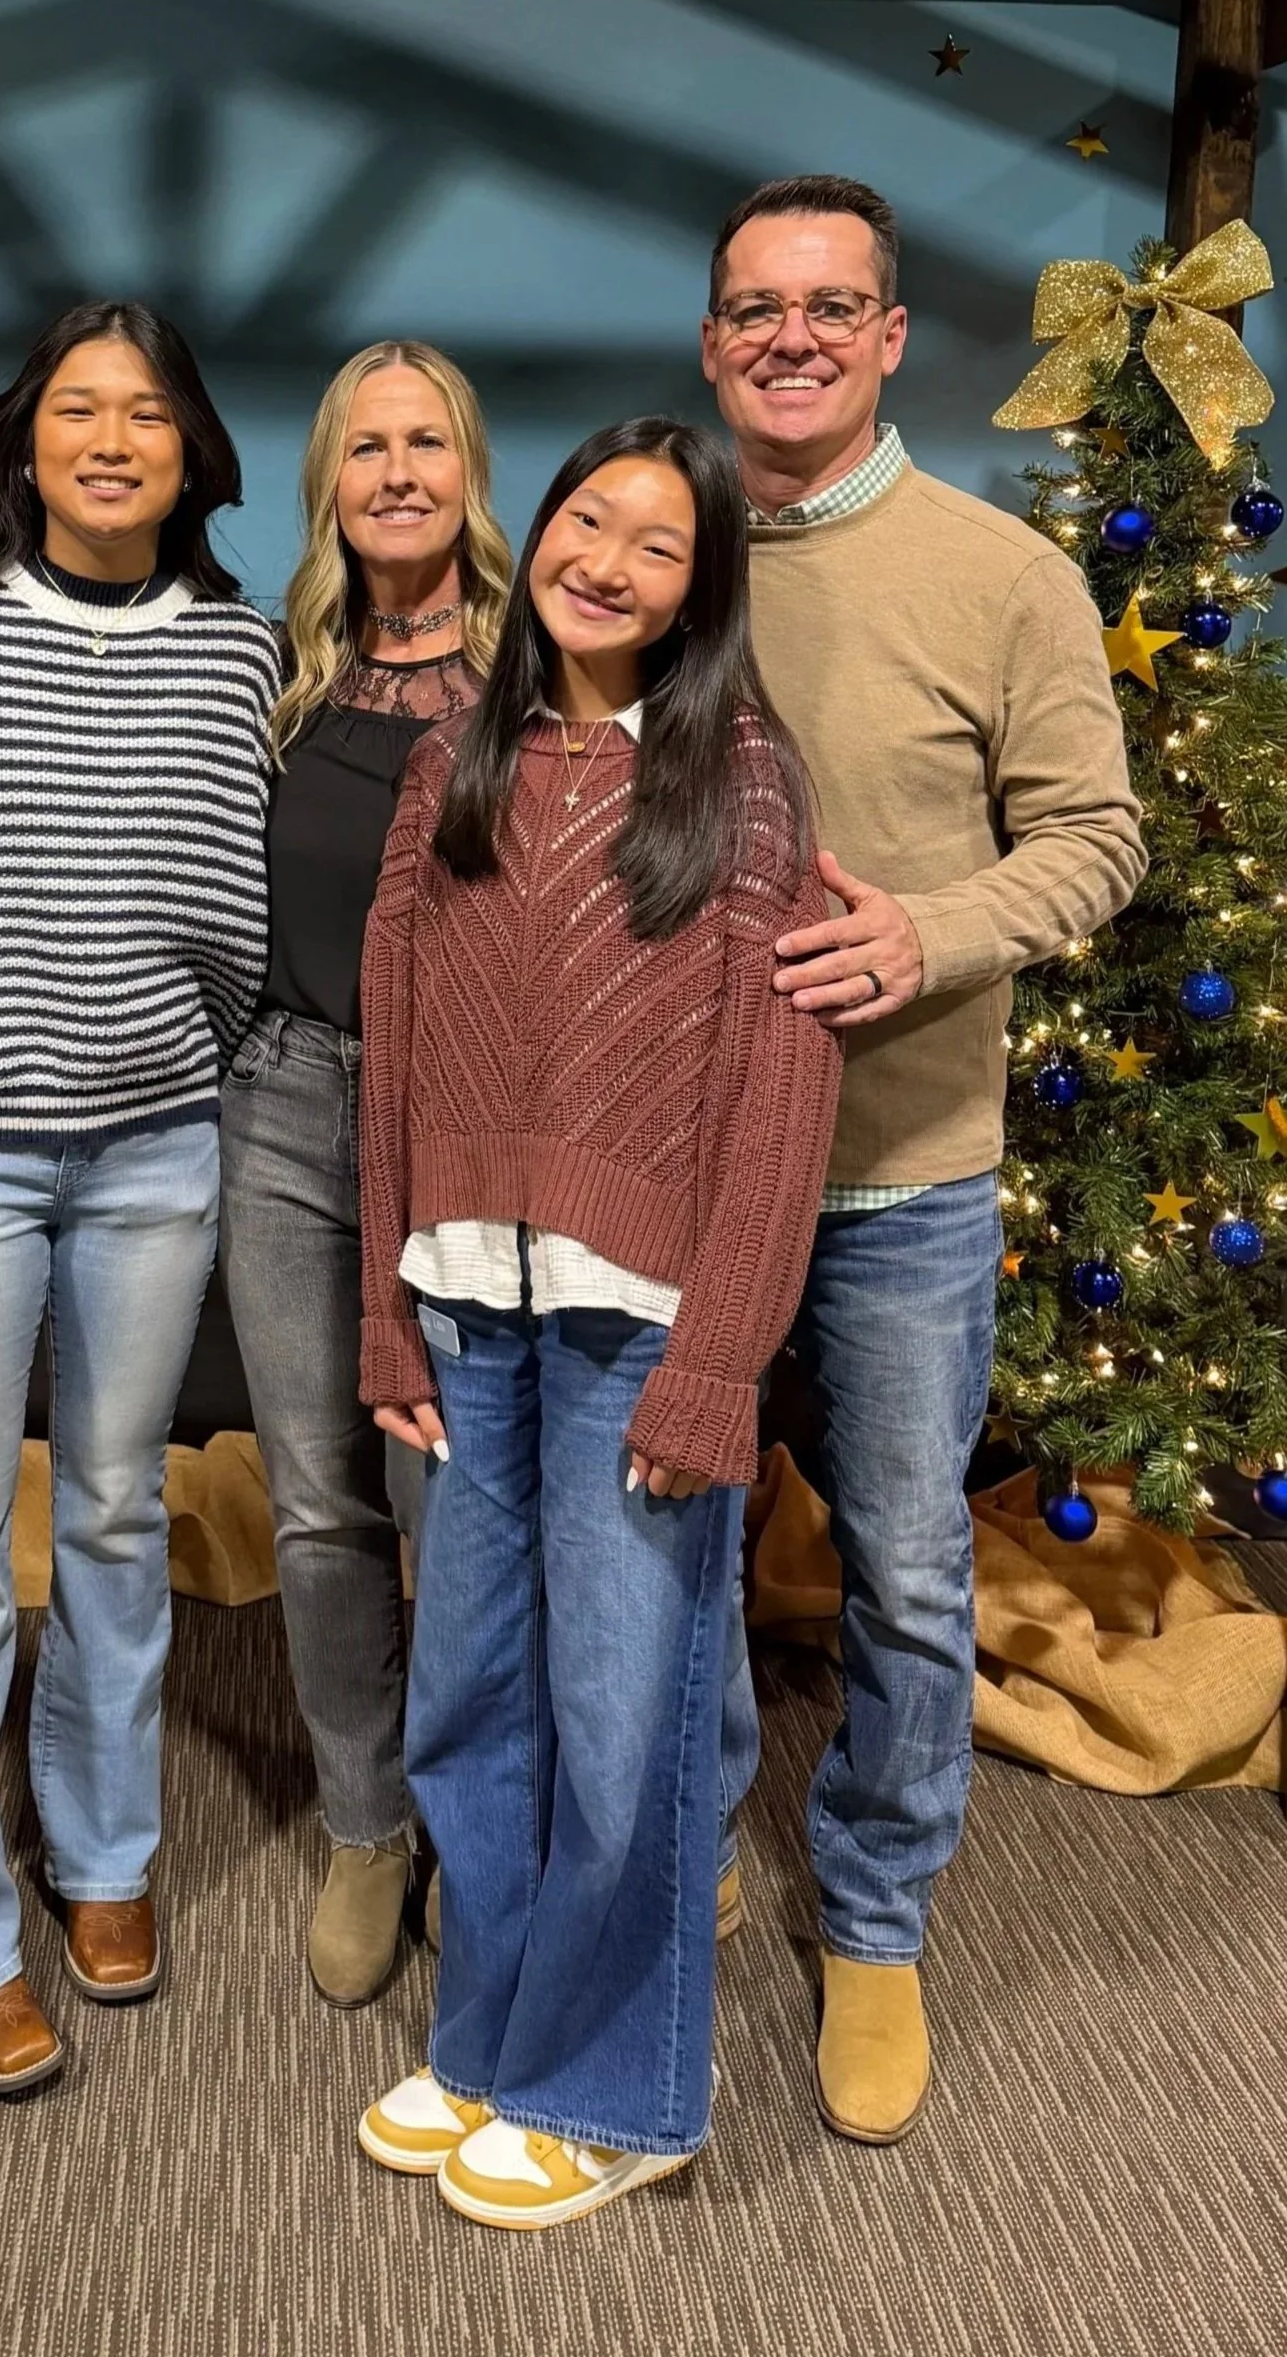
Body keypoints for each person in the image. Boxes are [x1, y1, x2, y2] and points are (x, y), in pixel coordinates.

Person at [355, 418, 841, 2229]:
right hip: (469, 1300)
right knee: (469, 1698)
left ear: (704, 585)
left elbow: (781, 1088)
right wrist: (383, 1318)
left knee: (622, 1712)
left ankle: (619, 2085)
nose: (612, 560)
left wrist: (719, 1366)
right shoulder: (455, 763)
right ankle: (488, 2032)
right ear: (535, 533)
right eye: (587, 519)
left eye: (661, 542)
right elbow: (392, 1038)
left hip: (643, 1323)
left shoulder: (749, 781)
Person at [701, 174, 1145, 2144]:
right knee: (672, 1551)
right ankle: (692, 1842)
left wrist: (933, 932)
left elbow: (1100, 840)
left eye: (832, 304)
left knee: (897, 1575)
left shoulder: (1001, 574)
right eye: (754, 306)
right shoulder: (650, 546)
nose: (791, 334)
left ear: (888, 336)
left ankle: (872, 1919)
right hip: (683, 1185)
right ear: (714, 341)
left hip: (903, 1185)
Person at [0, 301, 280, 2096]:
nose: (110, 439)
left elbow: (257, 918)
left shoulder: (247, 654)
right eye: (75, 410)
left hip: (153, 1151)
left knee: (119, 1516)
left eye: (146, 414)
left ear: (192, 452)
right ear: (21, 440)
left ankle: (106, 1859)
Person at [219, 340, 511, 2008]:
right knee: (321, 1499)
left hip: (463, 1129)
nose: (398, 471)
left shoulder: (542, 670)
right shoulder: (285, 676)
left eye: (428, 441)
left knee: (449, 1501)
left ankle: (477, 1829)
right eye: (365, 447)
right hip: (283, 1112)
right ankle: (362, 1822)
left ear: (470, 466)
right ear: (331, 480)